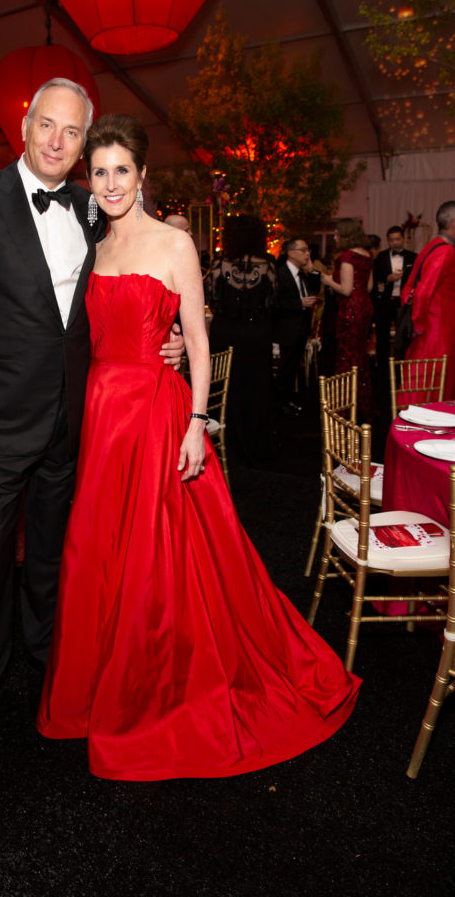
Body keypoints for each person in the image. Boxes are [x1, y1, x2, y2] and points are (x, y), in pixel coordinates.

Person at [36, 114, 360, 781]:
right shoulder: (91, 248)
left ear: (142, 175)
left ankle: (152, 689)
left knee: (158, 556)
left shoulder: (174, 243)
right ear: (88, 179)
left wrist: (194, 421)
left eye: (121, 170)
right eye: (99, 172)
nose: (110, 182)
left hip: (155, 414)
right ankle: (94, 688)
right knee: (99, 550)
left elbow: (200, 341)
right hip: (101, 414)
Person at [0, 79, 183, 750]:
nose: (57, 141)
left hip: (74, 421)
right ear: (24, 125)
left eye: (72, 132)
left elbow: (118, 294)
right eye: (47, 125)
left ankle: (48, 661)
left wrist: (167, 338)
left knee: (50, 556)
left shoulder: (92, 206)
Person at [208, 215, 276, 463]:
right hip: (257, 334)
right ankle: (255, 444)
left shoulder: (219, 264)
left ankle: (226, 441)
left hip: (225, 332)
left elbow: (212, 300)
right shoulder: (268, 264)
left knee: (225, 386)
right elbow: (271, 303)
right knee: (256, 389)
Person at [400, 200, 455, 399]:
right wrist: (419, 326)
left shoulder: (431, 246)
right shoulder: (446, 251)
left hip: (431, 330)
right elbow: (423, 292)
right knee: (431, 387)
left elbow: (408, 289)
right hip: (436, 333)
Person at [321, 220, 374, 421]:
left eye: (336, 234)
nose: (334, 238)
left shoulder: (347, 257)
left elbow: (345, 289)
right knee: (359, 353)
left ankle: (346, 404)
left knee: (347, 354)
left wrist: (328, 281)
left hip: (351, 309)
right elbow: (368, 287)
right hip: (365, 306)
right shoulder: (367, 255)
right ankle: (362, 402)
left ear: (346, 235)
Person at [274, 238, 318, 415]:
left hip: (300, 328)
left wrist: (312, 270)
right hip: (287, 329)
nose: (307, 254)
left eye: (308, 250)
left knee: (293, 368)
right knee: (285, 368)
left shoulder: (302, 273)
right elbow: (275, 302)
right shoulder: (280, 274)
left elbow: (315, 290)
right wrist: (299, 303)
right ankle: (279, 403)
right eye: (304, 250)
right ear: (291, 253)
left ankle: (287, 400)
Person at [373, 225, 416, 368]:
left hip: (403, 302)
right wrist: (387, 278)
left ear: (403, 239)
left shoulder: (412, 257)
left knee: (403, 336)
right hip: (385, 302)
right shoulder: (380, 257)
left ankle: (402, 366)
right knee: (382, 336)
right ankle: (383, 367)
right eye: (391, 240)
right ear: (388, 241)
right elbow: (374, 279)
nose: (395, 243)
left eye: (397, 239)